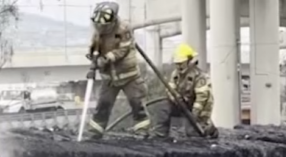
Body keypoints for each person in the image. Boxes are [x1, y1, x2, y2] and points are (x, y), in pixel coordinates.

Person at [86, 1, 150, 139]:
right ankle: (95, 131)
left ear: (113, 20)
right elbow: (93, 47)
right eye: (98, 25)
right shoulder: (98, 32)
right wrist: (93, 57)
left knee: (136, 102)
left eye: (104, 25)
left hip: (128, 75)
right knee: (103, 103)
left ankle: (142, 130)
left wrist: (107, 58)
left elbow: (123, 49)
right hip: (109, 78)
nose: (100, 27)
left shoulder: (123, 29)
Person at [153, 43, 218, 139]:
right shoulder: (175, 75)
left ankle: (210, 129)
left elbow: (202, 98)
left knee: (192, 132)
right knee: (163, 108)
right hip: (182, 102)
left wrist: (194, 115)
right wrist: (175, 98)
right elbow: (170, 89)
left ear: (189, 61)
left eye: (181, 63)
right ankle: (160, 135)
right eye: (177, 64)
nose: (179, 66)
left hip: (201, 107)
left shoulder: (200, 77)